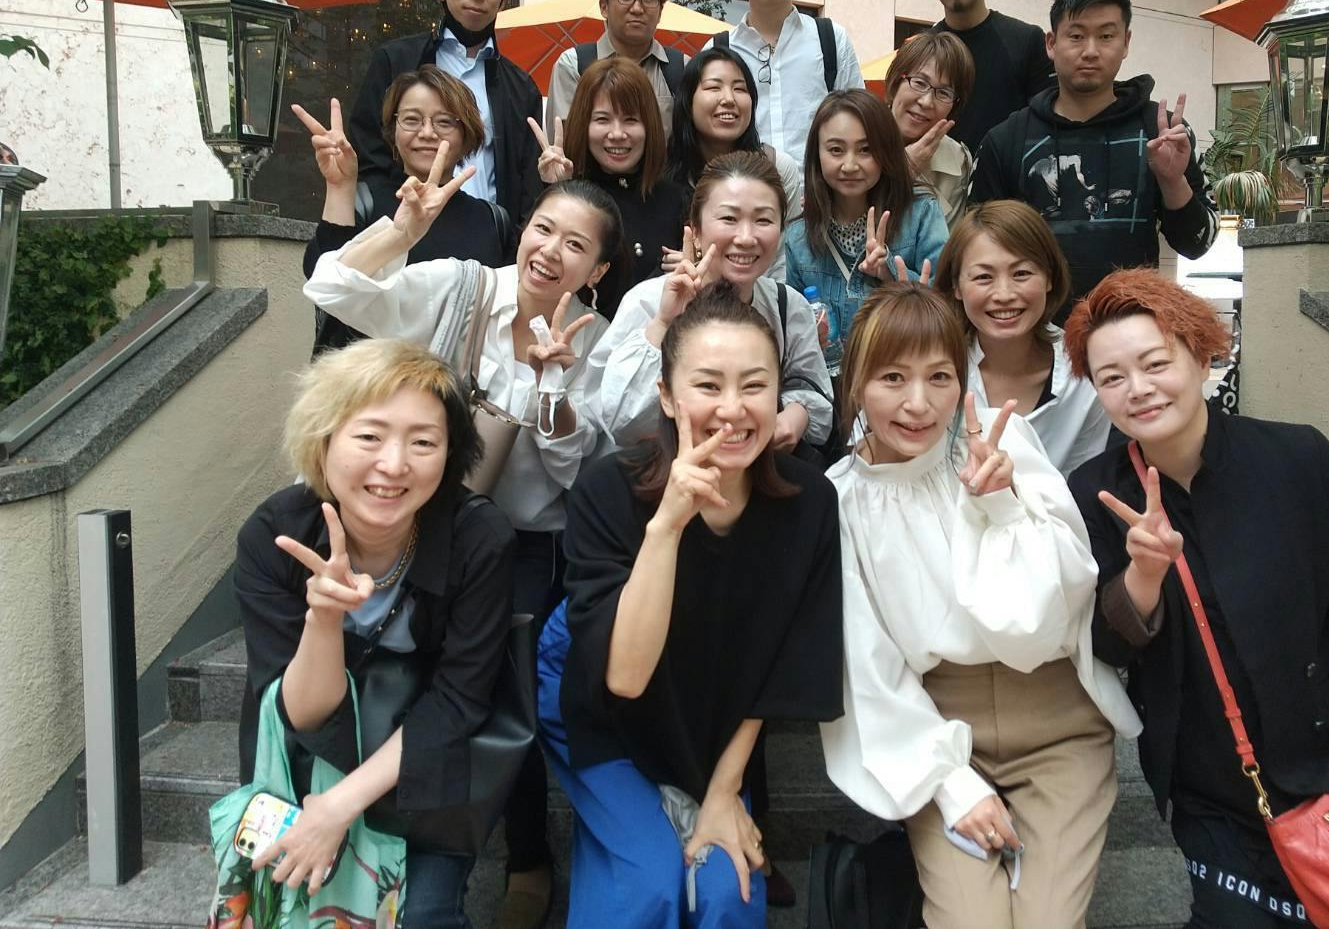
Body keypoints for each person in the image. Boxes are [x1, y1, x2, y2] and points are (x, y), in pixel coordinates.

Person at [1063, 269, 1329, 928]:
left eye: (1155, 364)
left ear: (1201, 355)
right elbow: (1106, 647)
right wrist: (1144, 573)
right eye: (1112, 377)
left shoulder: (1297, 459)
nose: (1137, 388)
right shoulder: (1096, 492)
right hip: (1207, 781)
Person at [303, 167, 624, 927]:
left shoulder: (599, 341)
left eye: (575, 245)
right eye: (543, 228)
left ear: (598, 269)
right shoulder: (461, 286)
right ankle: (400, 837)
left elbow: (577, 475)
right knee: (405, 679)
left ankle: (526, 856)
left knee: (504, 696)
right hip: (415, 524)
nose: (551, 251)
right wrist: (400, 233)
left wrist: (552, 388)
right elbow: (332, 288)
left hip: (527, 543)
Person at [820, 281, 1139, 929]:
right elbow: (866, 665)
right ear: (854, 383)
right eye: (892, 377)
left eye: (939, 376)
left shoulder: (1004, 444)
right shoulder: (839, 500)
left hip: (1057, 720)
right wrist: (951, 785)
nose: (918, 403)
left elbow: (1056, 609)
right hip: (937, 730)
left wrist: (1001, 508)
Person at [538, 280, 844, 928]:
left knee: (727, 894)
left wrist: (725, 791)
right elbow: (622, 677)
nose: (732, 408)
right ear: (667, 397)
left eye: (755, 385)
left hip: (716, 714)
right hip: (602, 708)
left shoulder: (810, 502)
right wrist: (667, 526)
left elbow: (788, 666)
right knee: (646, 889)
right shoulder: (608, 491)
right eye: (707, 385)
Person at [235, 336, 513, 926]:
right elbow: (298, 712)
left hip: (423, 782)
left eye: (423, 442)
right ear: (323, 439)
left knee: (423, 917)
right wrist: (323, 619)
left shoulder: (478, 539)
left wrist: (340, 807)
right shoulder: (275, 536)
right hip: (305, 770)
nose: (394, 464)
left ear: (450, 453)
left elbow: (459, 699)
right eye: (369, 436)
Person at [971, 0, 1218, 304]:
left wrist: (1172, 182)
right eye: (1076, 36)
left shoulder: (1163, 134)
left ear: (1126, 42)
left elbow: (1197, 244)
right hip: (1033, 329)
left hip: (1131, 325)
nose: (1090, 51)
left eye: (1106, 36)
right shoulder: (1006, 140)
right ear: (1051, 44)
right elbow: (976, 251)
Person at [591, 149, 832, 453]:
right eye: (729, 218)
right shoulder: (648, 301)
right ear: (696, 229)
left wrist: (799, 414)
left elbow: (815, 392)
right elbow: (618, 421)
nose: (746, 237)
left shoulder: (787, 305)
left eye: (763, 220)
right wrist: (664, 323)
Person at [296, 69, 515, 353]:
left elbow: (507, 314)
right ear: (393, 130)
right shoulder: (365, 200)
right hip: (368, 375)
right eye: (412, 120)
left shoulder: (492, 221)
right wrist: (340, 187)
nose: (427, 133)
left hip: (455, 378)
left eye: (444, 122)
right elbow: (321, 280)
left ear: (467, 134)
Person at [349, 0, 543, 225]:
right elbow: (368, 150)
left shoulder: (522, 88)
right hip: (405, 228)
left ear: (503, 0)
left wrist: (513, 238)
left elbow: (528, 182)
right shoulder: (396, 61)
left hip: (489, 238)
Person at [935, 201, 1110, 475]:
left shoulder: (1087, 373)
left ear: (1049, 278)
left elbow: (1082, 484)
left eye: (1021, 274)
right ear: (956, 286)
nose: (1004, 294)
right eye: (983, 277)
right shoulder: (931, 365)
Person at [784, 89, 948, 349]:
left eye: (866, 150)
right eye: (836, 150)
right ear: (817, 154)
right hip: (829, 374)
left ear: (887, 151)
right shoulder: (798, 238)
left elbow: (951, 303)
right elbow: (791, 333)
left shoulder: (920, 214)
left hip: (906, 365)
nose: (850, 165)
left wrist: (889, 274)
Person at [529, 57, 687, 314]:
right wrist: (557, 189)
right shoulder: (566, 193)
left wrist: (693, 266)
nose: (617, 134)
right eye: (602, 119)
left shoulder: (676, 199)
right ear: (584, 123)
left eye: (630, 120)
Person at [708, 0, 862, 161]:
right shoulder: (718, 51)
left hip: (817, 187)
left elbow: (860, 123)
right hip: (747, 185)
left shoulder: (832, 41)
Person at [917, 0, 1052, 168]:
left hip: (1009, 182)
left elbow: (1044, 125)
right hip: (939, 182)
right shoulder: (920, 51)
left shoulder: (1028, 40)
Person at [665, 46, 803, 278]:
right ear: (687, 100)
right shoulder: (661, 172)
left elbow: (781, 264)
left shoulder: (778, 168)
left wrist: (712, 265)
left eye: (739, 88)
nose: (729, 99)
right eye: (713, 87)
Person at [546, 0, 686, 138]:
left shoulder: (682, 68)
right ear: (604, 7)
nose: (637, 8)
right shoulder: (574, 66)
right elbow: (565, 144)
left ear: (660, 11)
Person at [884, 30, 976, 227]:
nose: (926, 102)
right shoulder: (857, 137)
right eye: (919, 82)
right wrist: (903, 171)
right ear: (896, 81)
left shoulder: (957, 161)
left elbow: (948, 241)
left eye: (944, 93)